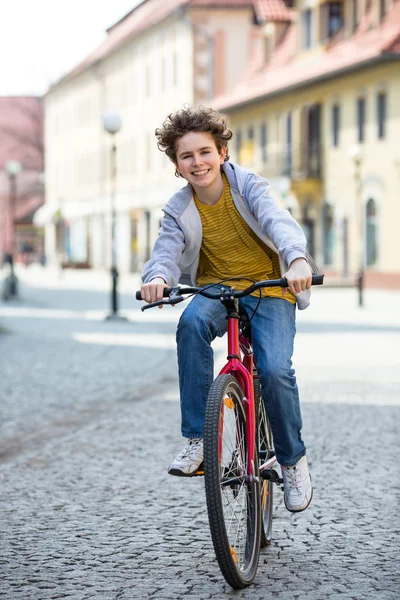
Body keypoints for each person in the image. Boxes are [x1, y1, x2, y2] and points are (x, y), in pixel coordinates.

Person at [140, 107, 315, 512]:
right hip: (218, 290)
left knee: (274, 370)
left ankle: (292, 461)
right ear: (177, 165)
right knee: (190, 324)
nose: (197, 162)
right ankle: (198, 440)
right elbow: (165, 252)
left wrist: (297, 260)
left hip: (271, 288)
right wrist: (157, 278)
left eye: (205, 152)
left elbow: (279, 221)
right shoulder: (178, 208)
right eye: (187, 156)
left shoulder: (249, 186)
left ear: (222, 153)